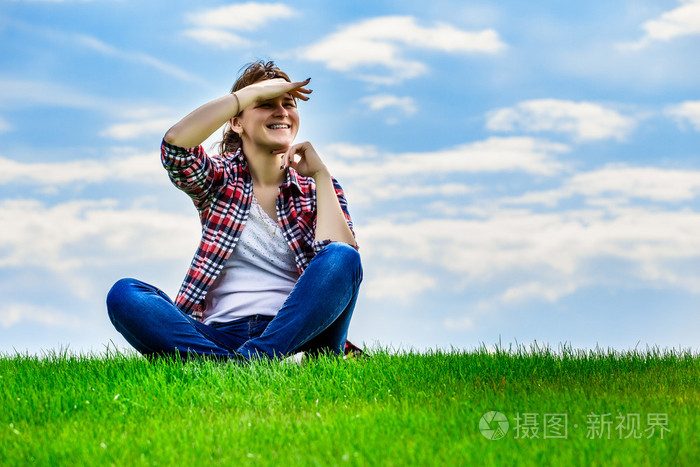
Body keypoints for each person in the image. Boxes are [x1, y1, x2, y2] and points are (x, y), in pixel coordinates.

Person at [106, 61, 363, 362]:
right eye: (264, 104)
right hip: (219, 334)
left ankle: (244, 360)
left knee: (344, 255)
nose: (281, 111)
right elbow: (175, 148)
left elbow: (340, 269)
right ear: (236, 122)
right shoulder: (220, 179)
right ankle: (246, 363)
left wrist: (319, 175)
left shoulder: (317, 186)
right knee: (125, 295)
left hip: (299, 334)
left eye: (288, 103)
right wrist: (247, 95)